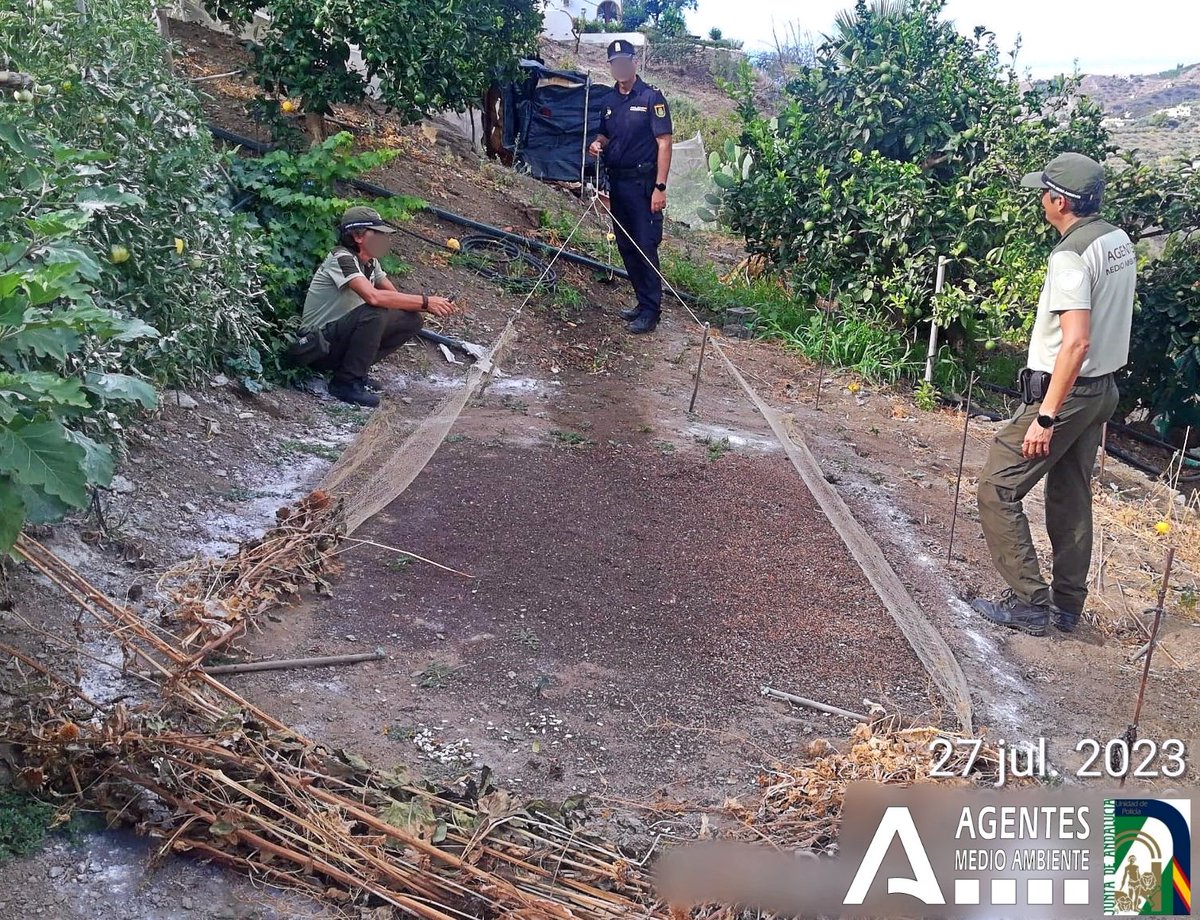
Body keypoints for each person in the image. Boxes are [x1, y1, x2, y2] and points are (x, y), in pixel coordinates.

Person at [971, 153, 1135, 636]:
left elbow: (1076, 342)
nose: (1040, 200)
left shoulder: (1070, 256)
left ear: (1059, 201)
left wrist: (1045, 417)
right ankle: (1066, 606)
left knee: (997, 488)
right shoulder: (1117, 240)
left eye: (1044, 193)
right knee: (1070, 495)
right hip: (1102, 390)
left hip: (1068, 394)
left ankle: (1029, 603)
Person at [295, 206, 456, 407]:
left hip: (339, 339)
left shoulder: (371, 263)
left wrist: (435, 305)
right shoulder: (341, 258)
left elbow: (395, 298)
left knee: (410, 320)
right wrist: (425, 301)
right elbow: (373, 297)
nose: (383, 240)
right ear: (357, 236)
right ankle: (346, 383)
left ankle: (354, 371)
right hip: (317, 347)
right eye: (377, 234)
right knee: (375, 312)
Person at [587, 39, 672, 335]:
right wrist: (598, 143)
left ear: (634, 63)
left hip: (644, 185)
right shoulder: (609, 101)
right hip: (618, 183)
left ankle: (651, 311)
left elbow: (664, 143)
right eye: (615, 63)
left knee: (645, 245)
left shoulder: (651, 98)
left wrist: (660, 187)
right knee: (626, 245)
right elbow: (605, 134)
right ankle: (641, 302)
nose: (620, 68)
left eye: (625, 61)